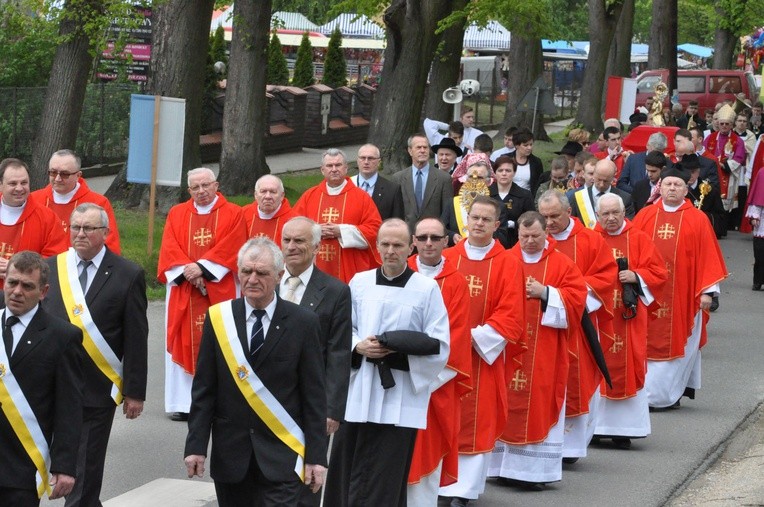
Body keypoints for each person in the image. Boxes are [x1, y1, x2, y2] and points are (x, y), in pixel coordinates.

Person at [184, 238, 327, 506]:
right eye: (246, 272)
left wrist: (317, 457)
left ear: (279, 275)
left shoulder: (303, 323)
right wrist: (196, 447)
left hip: (282, 456)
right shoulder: (219, 319)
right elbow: (204, 389)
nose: (252, 279)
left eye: (261, 273)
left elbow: (315, 396)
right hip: (231, 458)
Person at [324, 219, 450, 507]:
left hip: (399, 394)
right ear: (377, 246)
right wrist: (359, 345)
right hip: (358, 392)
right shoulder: (359, 282)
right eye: (385, 244)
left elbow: (439, 344)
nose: (391, 251)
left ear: (411, 248)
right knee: (347, 466)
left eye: (398, 245)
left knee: (385, 475)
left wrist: (394, 353)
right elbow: (342, 329)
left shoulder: (426, 289)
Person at [43, 203, 148, 506]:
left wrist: (134, 392)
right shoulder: (50, 268)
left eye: (88, 228)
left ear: (105, 232)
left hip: (95, 390)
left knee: (84, 474)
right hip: (49, 386)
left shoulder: (127, 274)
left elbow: (136, 338)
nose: (80, 234)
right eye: (75, 227)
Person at [438, 196, 526, 507]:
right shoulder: (447, 257)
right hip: (445, 356)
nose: (478, 224)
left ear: (497, 225)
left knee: (478, 418)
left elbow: (512, 312)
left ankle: (463, 490)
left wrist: (472, 337)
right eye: (474, 217)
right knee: (443, 417)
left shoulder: (508, 263)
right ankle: (438, 484)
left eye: (486, 220)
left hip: (481, 357)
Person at [490, 211, 587, 491]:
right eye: (524, 236)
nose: (530, 241)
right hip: (508, 348)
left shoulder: (562, 263)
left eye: (535, 236)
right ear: (517, 235)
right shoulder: (505, 260)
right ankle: (500, 467)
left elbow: (577, 300)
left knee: (540, 400)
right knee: (504, 400)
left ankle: (532, 472)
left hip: (545, 348)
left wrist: (546, 293)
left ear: (547, 234)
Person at [632, 167, 727, 409]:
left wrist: (707, 291)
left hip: (684, 295)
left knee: (681, 341)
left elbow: (708, 257)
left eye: (677, 185)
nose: (672, 188)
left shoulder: (697, 219)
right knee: (646, 341)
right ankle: (647, 391)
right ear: (659, 187)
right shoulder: (645, 215)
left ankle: (667, 394)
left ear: (686, 190)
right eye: (668, 184)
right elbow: (631, 251)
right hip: (648, 294)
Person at [158, 167, 247, 421]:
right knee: (183, 339)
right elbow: (170, 247)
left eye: (206, 185)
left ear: (216, 185)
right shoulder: (177, 213)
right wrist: (191, 272)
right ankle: (184, 403)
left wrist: (203, 268)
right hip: (185, 289)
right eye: (195, 187)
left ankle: (221, 401)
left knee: (222, 338)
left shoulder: (234, 213)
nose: (201, 191)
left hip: (219, 288)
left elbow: (234, 246)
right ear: (189, 191)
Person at [537, 190, 618, 464]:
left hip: (579, 323)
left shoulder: (591, 240)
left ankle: (570, 447)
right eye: (544, 217)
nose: (548, 223)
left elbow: (607, 275)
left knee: (577, 377)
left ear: (568, 212)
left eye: (554, 216)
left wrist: (569, 294)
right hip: (543, 323)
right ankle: (543, 439)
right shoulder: (537, 241)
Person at [0, 251, 83, 505]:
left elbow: (69, 407)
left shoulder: (62, 336)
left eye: (27, 286)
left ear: (43, 292)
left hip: (22, 466)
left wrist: (65, 465)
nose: (17, 291)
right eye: (12, 283)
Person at [593, 194, 668, 449]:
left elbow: (659, 273)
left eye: (616, 213)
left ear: (624, 212)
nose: (611, 219)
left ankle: (625, 429)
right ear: (598, 216)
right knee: (596, 364)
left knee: (628, 362)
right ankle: (596, 427)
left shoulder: (639, 238)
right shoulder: (591, 239)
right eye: (606, 214)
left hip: (628, 317)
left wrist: (636, 275)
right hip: (600, 315)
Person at [406, 217, 472, 506]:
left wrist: (423, 377)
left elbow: (456, 334)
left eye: (435, 237)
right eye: (423, 237)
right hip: (396, 378)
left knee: (429, 445)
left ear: (446, 241)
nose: (429, 243)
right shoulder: (399, 272)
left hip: (436, 383)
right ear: (414, 242)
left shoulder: (455, 281)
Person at [279, 217, 351, 468]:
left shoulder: (336, 291)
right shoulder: (265, 282)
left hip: (311, 400)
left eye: (299, 241)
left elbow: (339, 352)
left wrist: (332, 409)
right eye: (286, 240)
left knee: (308, 474)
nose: (291, 246)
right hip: (267, 396)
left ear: (317, 247)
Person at [294, 149, 381, 283]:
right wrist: (315, 231)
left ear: (346, 168)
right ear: (322, 170)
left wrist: (341, 231)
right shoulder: (309, 196)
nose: (334, 169)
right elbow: (293, 227)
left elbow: (375, 230)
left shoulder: (361, 197)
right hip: (314, 265)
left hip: (350, 267)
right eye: (329, 166)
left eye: (338, 165)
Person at [31, 149, 121, 254]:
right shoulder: (34, 200)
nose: (58, 178)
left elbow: (110, 247)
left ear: (78, 176)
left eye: (65, 174)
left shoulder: (98, 203)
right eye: (53, 172)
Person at [0, 158, 68, 287]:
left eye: (24, 182)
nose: (19, 188)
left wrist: (17, 269)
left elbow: (56, 260)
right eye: (13, 183)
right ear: (0, 184)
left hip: (26, 296)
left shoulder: (47, 218)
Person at [392, 134, 453, 233]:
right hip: (407, 238)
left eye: (425, 147)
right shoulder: (398, 178)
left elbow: (447, 214)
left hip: (433, 237)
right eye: (418, 147)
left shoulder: (444, 179)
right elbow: (396, 213)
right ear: (410, 151)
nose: (422, 150)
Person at [703, 104, 746, 224]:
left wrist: (723, 165)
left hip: (727, 174)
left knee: (725, 202)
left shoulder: (738, 140)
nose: (724, 126)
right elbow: (703, 153)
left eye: (727, 124)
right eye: (722, 123)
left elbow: (739, 158)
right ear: (718, 124)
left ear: (732, 125)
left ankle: (723, 225)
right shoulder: (710, 138)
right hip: (711, 174)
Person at [570, 158, 635, 228]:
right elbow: (573, 224)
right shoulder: (578, 197)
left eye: (606, 181)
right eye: (599, 179)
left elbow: (627, 225)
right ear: (594, 174)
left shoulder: (625, 198)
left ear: (613, 178)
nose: (601, 184)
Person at [489, 156, 534, 248]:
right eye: (500, 170)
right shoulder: (486, 194)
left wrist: (514, 224)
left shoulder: (525, 195)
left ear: (514, 173)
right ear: (494, 172)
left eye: (508, 171)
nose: (504, 174)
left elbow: (531, 220)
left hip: (516, 242)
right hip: (490, 241)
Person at [352, 144, 404, 220]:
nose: (366, 162)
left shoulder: (392, 189)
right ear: (357, 161)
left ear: (379, 162)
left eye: (371, 158)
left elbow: (397, 222)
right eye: (363, 158)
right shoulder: (347, 185)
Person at [241, 174, 296, 246]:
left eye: (273, 192)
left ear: (282, 195)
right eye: (263, 191)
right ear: (255, 195)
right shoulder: (242, 214)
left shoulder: (293, 220)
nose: (268, 196)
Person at [685, 155, 726, 239]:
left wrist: (702, 217)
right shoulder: (675, 189)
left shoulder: (710, 191)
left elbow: (721, 218)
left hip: (703, 235)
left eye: (693, 172)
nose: (690, 175)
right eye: (687, 171)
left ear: (698, 171)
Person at [511, 128, 544, 197]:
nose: (529, 148)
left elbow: (538, 184)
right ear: (517, 145)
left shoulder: (536, 162)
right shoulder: (506, 159)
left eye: (531, 144)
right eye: (525, 145)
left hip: (527, 199)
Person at [745, 172, 764, 290]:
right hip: (763, 220)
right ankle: (758, 280)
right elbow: (759, 195)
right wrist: (754, 216)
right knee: (760, 254)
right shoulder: (763, 173)